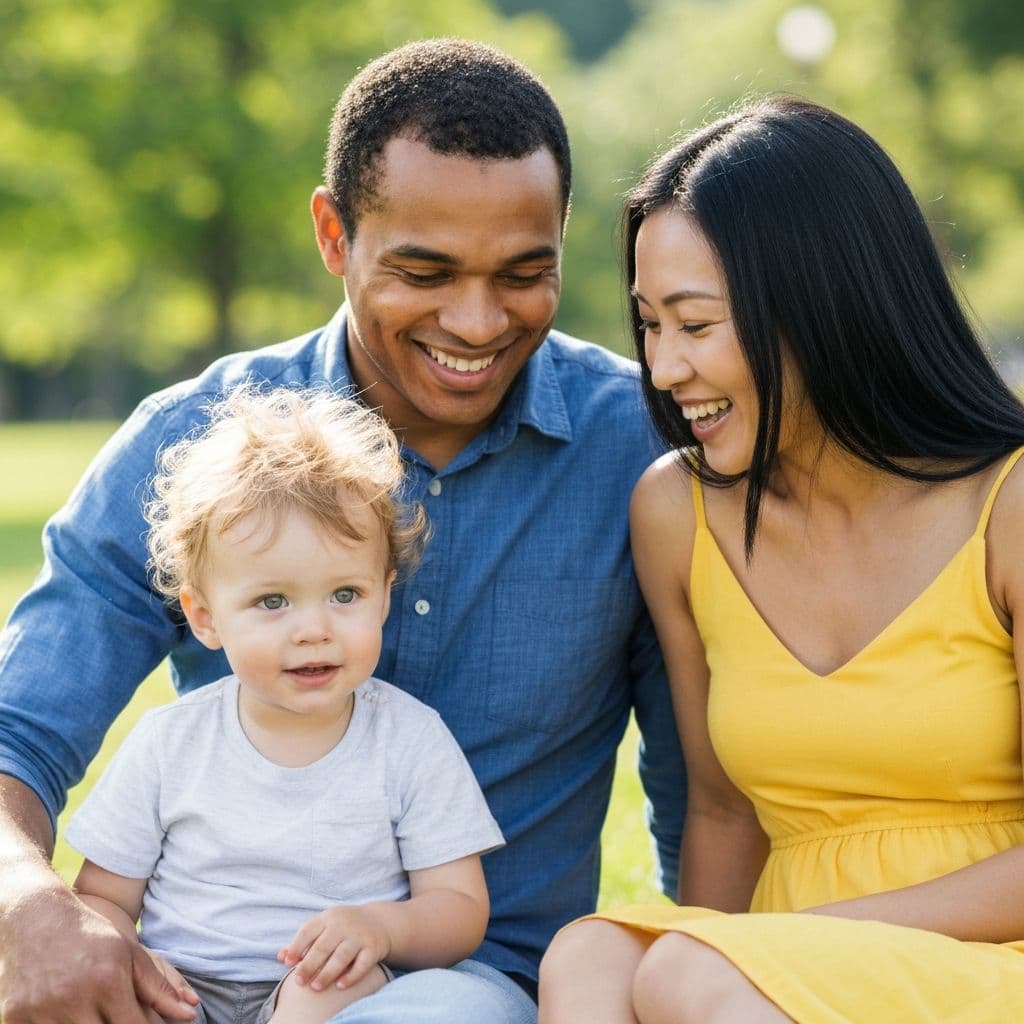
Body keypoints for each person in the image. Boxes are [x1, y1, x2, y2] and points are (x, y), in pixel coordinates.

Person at [0, 37, 686, 1024]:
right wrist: (29, 903)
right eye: (426, 269)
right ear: (333, 234)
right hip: (211, 989)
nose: (479, 320)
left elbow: (698, 773)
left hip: (479, 991)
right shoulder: (195, 441)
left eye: (523, 272)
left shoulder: (635, 452)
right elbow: (19, 726)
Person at [538, 96, 1024, 1022]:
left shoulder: (1010, 503)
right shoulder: (675, 513)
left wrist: (814, 937)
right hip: (765, 977)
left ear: (818, 303)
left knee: (690, 969)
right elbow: (720, 813)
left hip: (992, 960)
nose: (664, 368)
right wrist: (724, 952)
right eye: (648, 324)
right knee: (592, 957)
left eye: (696, 323)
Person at [66, 384, 504, 1024]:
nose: (313, 629)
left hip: (323, 988)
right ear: (206, 618)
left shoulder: (409, 739)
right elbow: (101, 895)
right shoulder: (170, 742)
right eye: (273, 602)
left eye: (345, 594)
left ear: (385, 595)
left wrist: (380, 929)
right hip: (182, 987)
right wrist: (128, 952)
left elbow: (460, 909)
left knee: (335, 994)